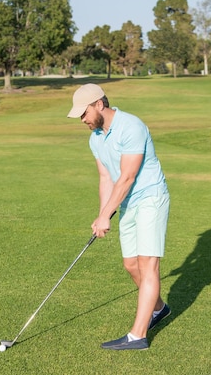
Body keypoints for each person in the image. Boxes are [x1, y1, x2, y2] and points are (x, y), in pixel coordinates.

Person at [67, 83, 171, 350]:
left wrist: (107, 215)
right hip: (127, 203)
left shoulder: (131, 126)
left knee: (148, 265)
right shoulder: (95, 139)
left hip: (150, 198)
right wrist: (103, 214)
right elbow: (106, 178)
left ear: (99, 104)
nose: (82, 120)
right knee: (131, 265)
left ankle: (138, 335)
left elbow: (127, 177)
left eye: (84, 113)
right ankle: (159, 309)